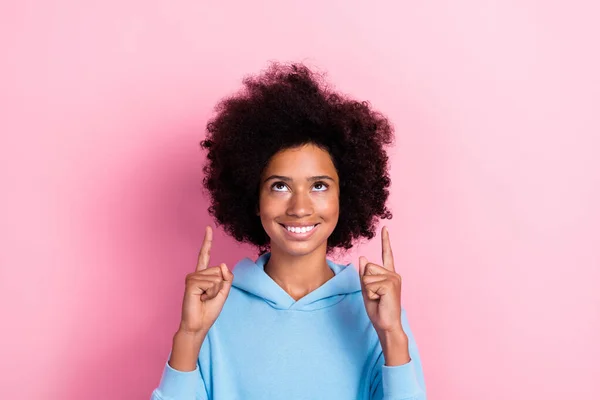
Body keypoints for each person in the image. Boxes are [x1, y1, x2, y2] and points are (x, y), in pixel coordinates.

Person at [150, 63, 427, 399]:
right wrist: (189, 336)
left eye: (319, 186)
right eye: (280, 186)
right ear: (254, 199)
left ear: (346, 196)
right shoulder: (213, 309)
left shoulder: (377, 311)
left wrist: (392, 336)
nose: (299, 207)